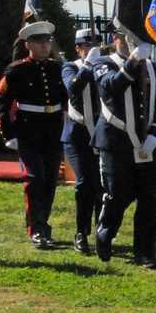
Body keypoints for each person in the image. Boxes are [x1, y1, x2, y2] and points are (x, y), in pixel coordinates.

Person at [91, 29, 156, 267]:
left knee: (148, 199)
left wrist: (155, 133)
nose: (133, 42)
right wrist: (134, 60)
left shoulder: (153, 68)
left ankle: (145, 251)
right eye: (127, 37)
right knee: (117, 195)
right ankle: (105, 234)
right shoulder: (103, 63)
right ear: (116, 39)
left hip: (147, 145)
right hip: (117, 143)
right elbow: (112, 87)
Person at [0, 21, 68, 249]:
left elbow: (66, 99)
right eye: (39, 42)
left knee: (49, 181)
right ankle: (36, 229)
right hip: (29, 131)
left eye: (47, 41)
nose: (44, 46)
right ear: (28, 45)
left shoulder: (57, 67)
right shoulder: (16, 70)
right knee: (34, 179)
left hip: (53, 130)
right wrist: (8, 134)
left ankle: (43, 224)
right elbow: (2, 104)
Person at [60, 28, 103, 254]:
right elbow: (73, 88)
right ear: (78, 48)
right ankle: (81, 232)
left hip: (101, 135)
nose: (93, 49)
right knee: (85, 183)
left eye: (96, 45)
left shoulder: (103, 68)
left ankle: (101, 232)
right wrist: (88, 66)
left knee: (102, 186)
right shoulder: (71, 67)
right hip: (77, 136)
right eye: (88, 46)